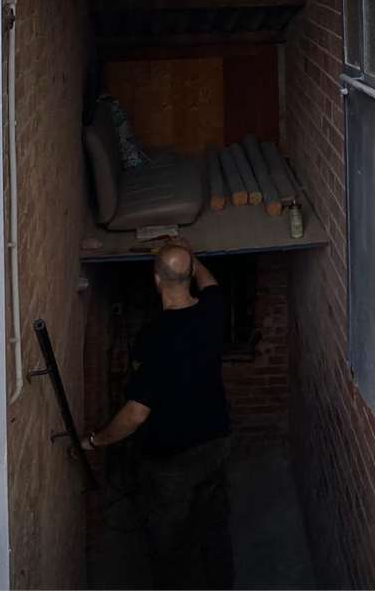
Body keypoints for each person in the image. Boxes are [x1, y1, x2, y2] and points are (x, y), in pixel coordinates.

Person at [82, 239, 233, 589]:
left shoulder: (153, 338)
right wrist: (188, 253)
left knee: (169, 540)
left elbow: (135, 414)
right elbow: (210, 283)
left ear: (155, 279)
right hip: (216, 441)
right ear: (191, 273)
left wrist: (96, 440)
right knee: (214, 525)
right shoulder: (214, 309)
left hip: (172, 458)